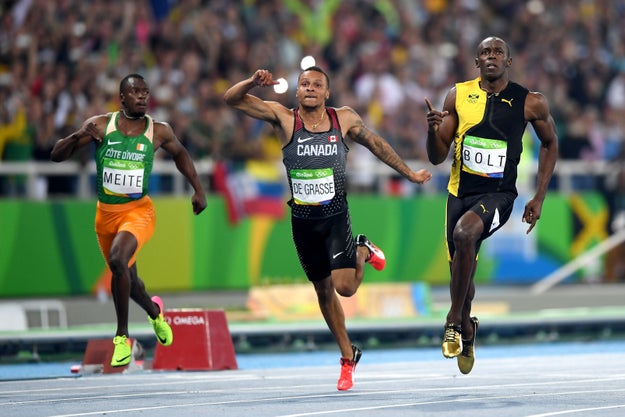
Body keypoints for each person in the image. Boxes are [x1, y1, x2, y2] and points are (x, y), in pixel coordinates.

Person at [224, 66, 432, 390]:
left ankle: (361, 249)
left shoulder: (343, 119)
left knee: (345, 288)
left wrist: (408, 174)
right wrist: (252, 80)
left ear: (326, 92)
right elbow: (231, 99)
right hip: (303, 221)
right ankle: (348, 358)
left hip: (335, 215)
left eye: (316, 85)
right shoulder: (283, 118)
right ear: (297, 91)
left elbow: (376, 144)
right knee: (322, 292)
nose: (309, 88)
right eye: (304, 84)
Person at [50, 73, 207, 367]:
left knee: (118, 260)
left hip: (139, 212)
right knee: (130, 281)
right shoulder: (100, 125)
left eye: (146, 92)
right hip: (105, 216)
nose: (143, 97)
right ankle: (155, 313)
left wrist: (198, 189)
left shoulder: (157, 130)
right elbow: (56, 156)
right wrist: (77, 135)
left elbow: (181, 154)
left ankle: (121, 337)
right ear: (122, 97)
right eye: (136, 92)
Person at [425, 36, 558, 374]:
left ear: (508, 61)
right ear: (477, 62)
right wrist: (432, 132)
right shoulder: (458, 95)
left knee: (465, 234)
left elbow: (550, 143)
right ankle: (469, 329)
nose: (491, 56)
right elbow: (438, 157)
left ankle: (453, 322)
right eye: (485, 52)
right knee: (462, 278)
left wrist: (539, 195)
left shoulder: (530, 102)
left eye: (498, 52)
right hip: (459, 193)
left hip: (499, 195)